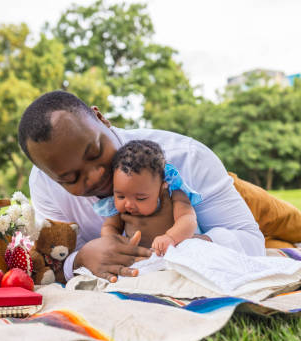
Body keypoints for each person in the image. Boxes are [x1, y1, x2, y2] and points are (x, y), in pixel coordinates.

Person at [18, 90, 266, 284]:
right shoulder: (44, 183)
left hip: (219, 196)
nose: (95, 176)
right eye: (71, 178)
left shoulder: (188, 157)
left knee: (291, 223)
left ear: (101, 119)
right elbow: (56, 255)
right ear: (51, 177)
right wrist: (80, 259)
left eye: (95, 152)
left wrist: (182, 246)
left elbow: (253, 243)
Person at [96, 140, 200, 256]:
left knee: (198, 243)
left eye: (140, 198)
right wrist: (115, 242)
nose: (128, 204)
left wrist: (171, 237)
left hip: (175, 247)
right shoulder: (119, 208)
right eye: (120, 196)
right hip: (142, 255)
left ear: (162, 187)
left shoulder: (173, 195)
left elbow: (188, 219)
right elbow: (110, 227)